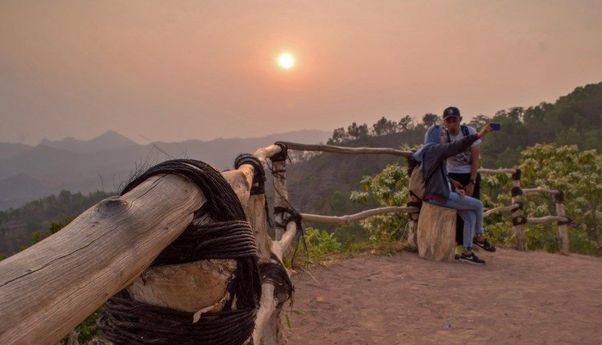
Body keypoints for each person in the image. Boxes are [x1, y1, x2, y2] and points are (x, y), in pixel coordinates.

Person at [412, 123, 495, 264]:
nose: (446, 136)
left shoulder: (429, 151)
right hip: (440, 196)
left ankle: (467, 252)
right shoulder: (435, 149)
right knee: (478, 205)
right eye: (443, 134)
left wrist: (453, 185)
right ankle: (479, 236)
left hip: (438, 194)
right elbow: (457, 146)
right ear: (436, 137)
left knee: (469, 217)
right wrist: (479, 135)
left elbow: (437, 175)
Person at [441, 106, 495, 252]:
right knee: (460, 213)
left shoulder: (468, 132)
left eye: (455, 120)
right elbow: (442, 156)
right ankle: (464, 244)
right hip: (453, 175)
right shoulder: (444, 136)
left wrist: (472, 181)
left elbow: (475, 159)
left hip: (469, 173)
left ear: (460, 120)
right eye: (449, 121)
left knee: (473, 208)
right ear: (444, 122)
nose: (452, 123)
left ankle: (472, 242)